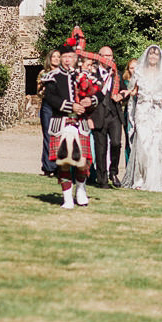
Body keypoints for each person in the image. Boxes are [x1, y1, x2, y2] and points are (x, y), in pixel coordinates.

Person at [42, 33, 100, 208]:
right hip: (61, 124)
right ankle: (67, 198)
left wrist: (90, 101)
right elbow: (50, 98)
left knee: (83, 162)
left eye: (70, 57)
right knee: (64, 163)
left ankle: (81, 190)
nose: (67, 60)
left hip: (80, 124)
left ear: (76, 58)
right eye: (64, 57)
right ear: (60, 59)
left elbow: (100, 94)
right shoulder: (52, 76)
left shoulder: (84, 75)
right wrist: (70, 106)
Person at [121, 44, 162, 192]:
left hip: (157, 112)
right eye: (151, 54)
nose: (153, 57)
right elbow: (134, 90)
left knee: (156, 146)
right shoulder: (140, 72)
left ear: (159, 58)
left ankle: (154, 181)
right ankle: (140, 179)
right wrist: (125, 94)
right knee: (143, 144)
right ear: (147, 56)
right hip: (142, 111)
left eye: (156, 55)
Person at [90, 45, 125, 188]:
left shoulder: (118, 75)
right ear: (99, 58)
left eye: (110, 56)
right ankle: (102, 179)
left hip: (114, 115)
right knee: (100, 148)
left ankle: (113, 171)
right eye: (104, 56)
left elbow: (124, 92)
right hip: (98, 115)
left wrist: (121, 95)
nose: (107, 59)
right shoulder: (92, 74)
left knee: (116, 143)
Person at [37, 49, 62, 175]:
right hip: (47, 106)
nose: (56, 58)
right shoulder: (43, 73)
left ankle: (58, 166)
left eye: (58, 56)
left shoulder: (63, 73)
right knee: (48, 135)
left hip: (59, 106)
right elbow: (39, 91)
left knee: (59, 135)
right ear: (50, 58)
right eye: (54, 56)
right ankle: (48, 166)